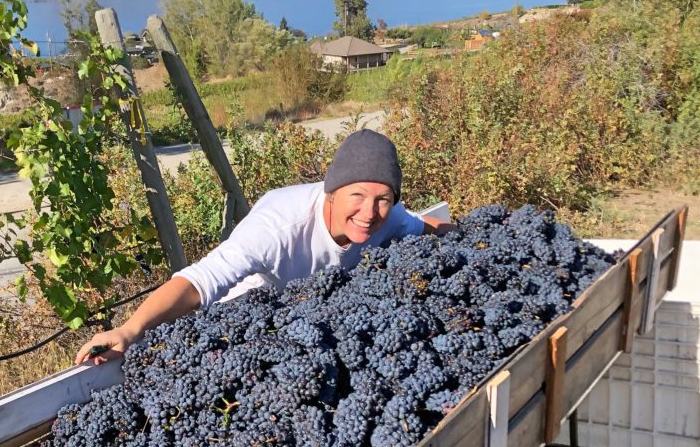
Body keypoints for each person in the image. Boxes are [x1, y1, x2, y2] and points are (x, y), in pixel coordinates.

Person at [76, 129, 453, 365]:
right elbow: (200, 280)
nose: (369, 212)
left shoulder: (391, 216)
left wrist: (479, 236)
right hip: (241, 327)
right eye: (357, 195)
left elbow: (426, 227)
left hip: (309, 326)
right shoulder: (278, 226)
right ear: (332, 191)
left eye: (383, 199)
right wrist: (130, 330)